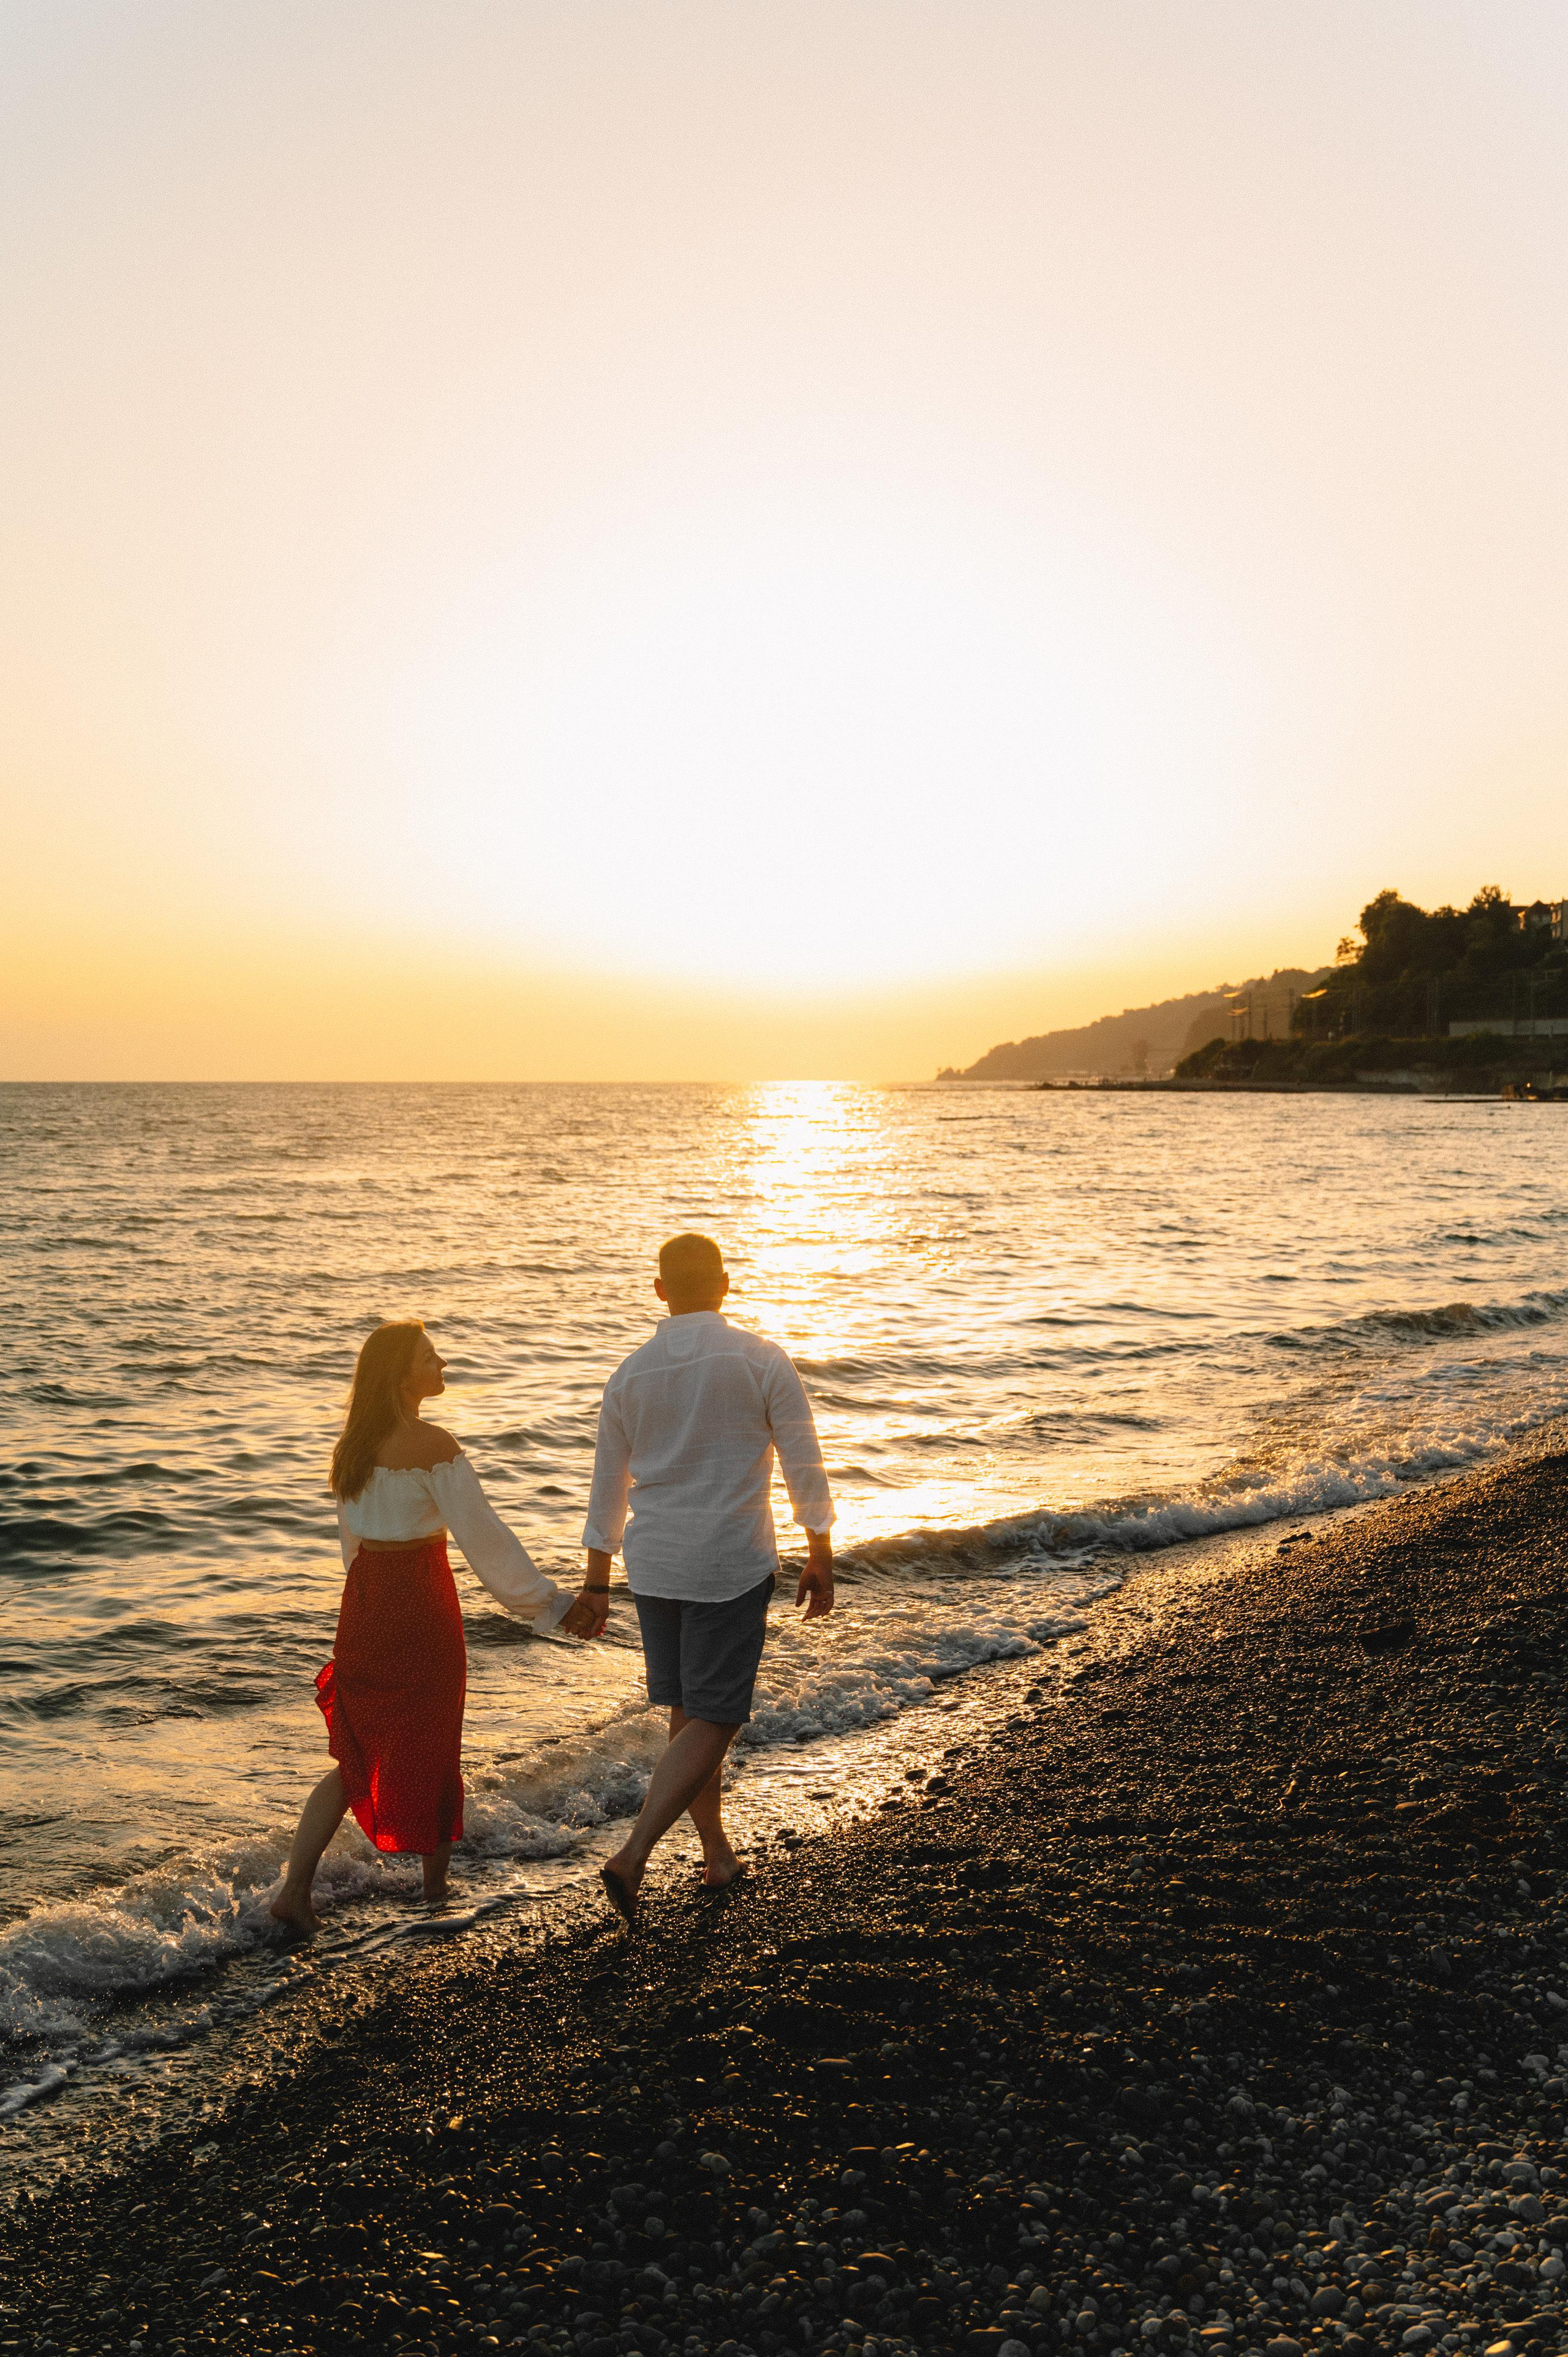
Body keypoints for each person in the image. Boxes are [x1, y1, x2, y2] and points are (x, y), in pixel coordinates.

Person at [270, 1320, 589, 1932]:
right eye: (429, 1356)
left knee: (355, 1756)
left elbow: (350, 1547)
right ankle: (435, 1892)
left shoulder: (352, 1449)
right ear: (400, 1375)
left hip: (363, 1604)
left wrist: (368, 1600)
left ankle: (295, 1889)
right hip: (419, 1604)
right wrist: (550, 1604)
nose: (443, 1363)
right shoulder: (435, 1444)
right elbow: (486, 1540)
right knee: (436, 1745)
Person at [567, 1233, 836, 1921]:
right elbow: (802, 1458)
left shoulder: (629, 1374)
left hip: (654, 1565)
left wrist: (597, 1583)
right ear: (724, 1283)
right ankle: (632, 1855)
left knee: (687, 1714)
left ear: (660, 1290)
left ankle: (716, 1853)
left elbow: (606, 1489)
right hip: (729, 1558)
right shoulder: (759, 1358)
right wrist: (820, 1548)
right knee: (716, 1716)